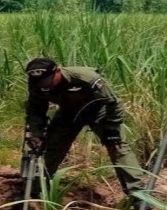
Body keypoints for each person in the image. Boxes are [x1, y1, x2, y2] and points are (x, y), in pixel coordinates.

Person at [23, 58, 143, 197]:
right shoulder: (36, 84)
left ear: (57, 71)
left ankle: (138, 193)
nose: (45, 85)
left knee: (117, 147)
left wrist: (112, 127)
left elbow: (114, 103)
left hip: (98, 111)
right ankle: (37, 189)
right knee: (51, 147)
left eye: (47, 80)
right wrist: (36, 133)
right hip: (68, 113)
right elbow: (35, 111)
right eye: (40, 82)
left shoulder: (86, 78)